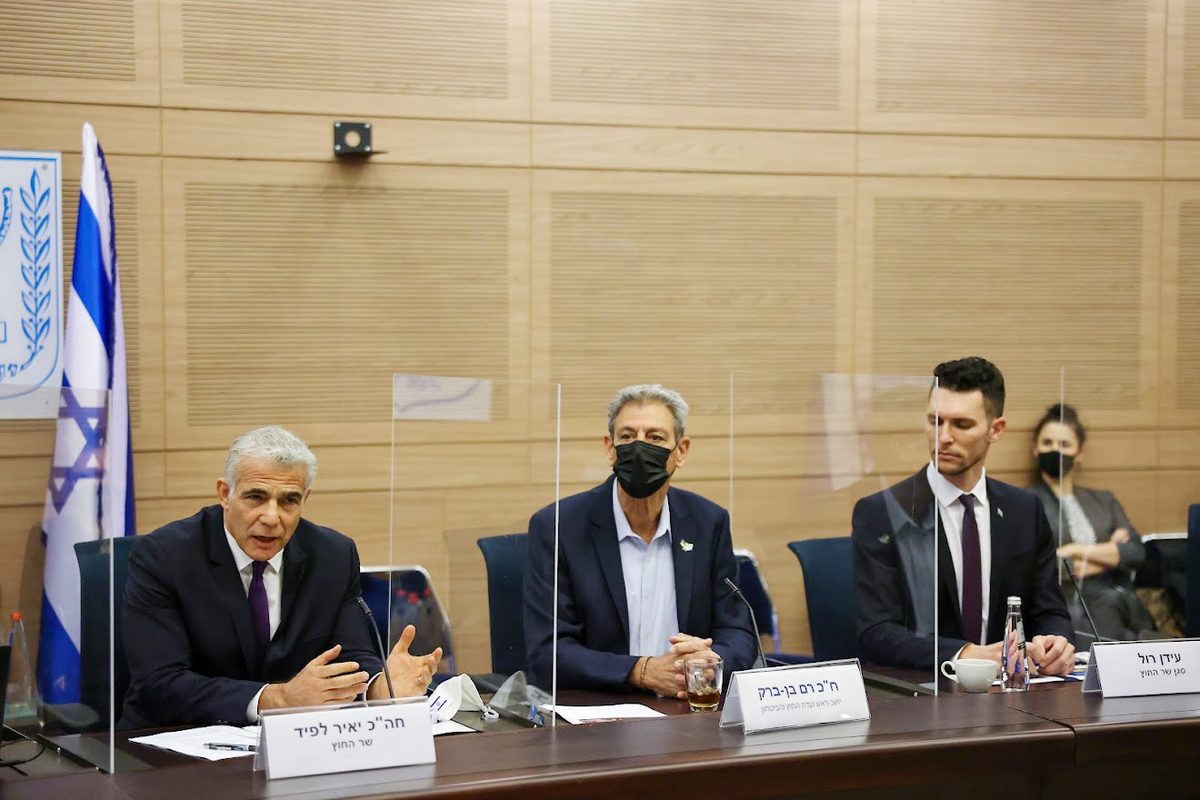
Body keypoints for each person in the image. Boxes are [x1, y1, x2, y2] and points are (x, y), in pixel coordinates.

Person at [120, 426, 441, 728]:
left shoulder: (333, 555)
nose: (272, 518)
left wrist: (377, 688)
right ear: (224, 493)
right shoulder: (164, 557)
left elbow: (352, 656)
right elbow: (159, 684)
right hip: (169, 751)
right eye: (256, 497)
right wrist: (276, 698)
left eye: (289, 500)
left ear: (305, 499)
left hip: (296, 748)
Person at [524, 384, 756, 698]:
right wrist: (642, 671)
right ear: (610, 447)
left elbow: (738, 630)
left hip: (688, 708)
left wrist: (712, 661)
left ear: (682, 450)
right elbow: (548, 652)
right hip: (598, 712)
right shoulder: (558, 527)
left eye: (656, 438)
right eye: (628, 436)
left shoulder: (708, 522)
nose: (640, 447)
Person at [852, 357, 1075, 674]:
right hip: (924, 691)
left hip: (1013, 694)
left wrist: (1056, 643)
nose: (943, 437)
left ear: (995, 430)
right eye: (935, 421)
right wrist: (964, 654)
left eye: (962, 424)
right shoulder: (884, 512)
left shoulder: (1024, 510)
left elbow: (1048, 609)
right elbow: (875, 632)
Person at [1027, 403, 1157, 642]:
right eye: (1047, 443)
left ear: (1080, 453)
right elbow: (1044, 569)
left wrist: (1074, 551)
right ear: (1035, 449)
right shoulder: (1026, 503)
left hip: (1124, 607)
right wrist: (1111, 555)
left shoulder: (1104, 500)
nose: (1055, 450)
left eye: (1065, 444)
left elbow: (1135, 552)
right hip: (1071, 613)